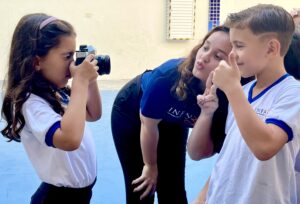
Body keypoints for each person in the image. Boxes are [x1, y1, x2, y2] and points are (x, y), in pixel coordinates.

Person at [189, 4, 300, 203]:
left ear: (271, 48)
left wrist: (232, 89)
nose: (232, 55)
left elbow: (264, 147)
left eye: (239, 46)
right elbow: (229, 158)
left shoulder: (293, 93)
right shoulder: (245, 91)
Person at [111, 25, 234, 204]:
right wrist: (150, 165)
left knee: (173, 189)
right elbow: (148, 125)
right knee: (143, 188)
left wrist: (208, 113)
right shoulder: (167, 78)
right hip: (133, 113)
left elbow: (204, 152)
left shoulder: (230, 97)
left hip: (173, 120)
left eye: (217, 56)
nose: (204, 56)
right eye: (205, 47)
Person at [0, 13, 101, 204]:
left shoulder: (57, 91)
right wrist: (80, 80)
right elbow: (70, 140)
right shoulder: (31, 103)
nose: (73, 64)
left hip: (79, 194)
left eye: (74, 56)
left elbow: (93, 114)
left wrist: (90, 81)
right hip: (58, 198)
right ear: (37, 62)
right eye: (67, 56)